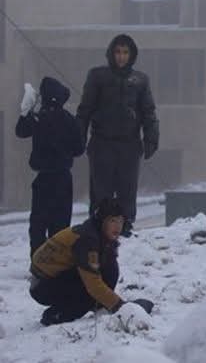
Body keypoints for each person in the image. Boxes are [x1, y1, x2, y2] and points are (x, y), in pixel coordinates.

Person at [77, 34, 159, 237]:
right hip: (102, 144)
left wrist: (151, 140)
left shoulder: (140, 80)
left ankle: (125, 229)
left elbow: (148, 113)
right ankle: (98, 229)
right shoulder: (98, 76)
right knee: (101, 192)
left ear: (131, 55)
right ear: (111, 54)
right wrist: (79, 138)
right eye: (117, 52)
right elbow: (85, 110)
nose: (121, 56)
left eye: (125, 52)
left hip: (129, 145)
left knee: (127, 192)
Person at [29, 199, 154, 326]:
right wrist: (122, 308)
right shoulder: (87, 239)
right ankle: (56, 315)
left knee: (110, 268)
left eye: (120, 221)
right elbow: (93, 284)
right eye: (113, 221)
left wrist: (110, 302)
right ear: (102, 221)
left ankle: (97, 305)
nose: (118, 226)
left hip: (56, 279)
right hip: (42, 286)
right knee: (88, 295)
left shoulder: (100, 235)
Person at [16, 78, 85, 258]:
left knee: (39, 222)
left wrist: (26, 112)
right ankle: (57, 262)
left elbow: (21, 131)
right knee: (61, 224)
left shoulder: (39, 117)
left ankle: (38, 259)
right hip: (64, 177)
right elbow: (79, 149)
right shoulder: (69, 120)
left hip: (43, 178)